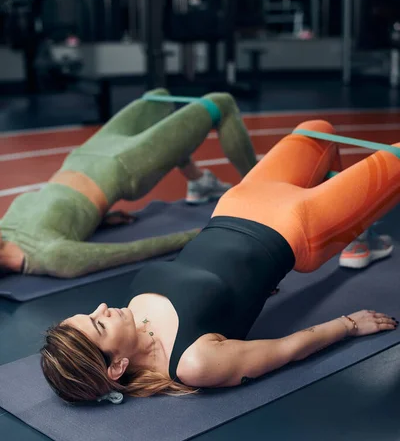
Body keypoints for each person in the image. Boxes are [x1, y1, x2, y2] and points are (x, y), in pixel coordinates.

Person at [41, 119, 400, 404]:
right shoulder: (194, 363)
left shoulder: (132, 313)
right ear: (117, 366)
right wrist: (350, 324)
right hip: (298, 226)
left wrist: (251, 292)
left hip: (236, 204)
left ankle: (357, 238)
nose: (102, 308)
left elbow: (213, 285)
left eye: (90, 313)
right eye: (98, 324)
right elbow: (286, 349)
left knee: (319, 129)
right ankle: (351, 230)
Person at [0, 89, 257, 278]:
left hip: (86, 155)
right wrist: (200, 233)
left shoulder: (6, 228)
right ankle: (264, 191)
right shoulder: (51, 256)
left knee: (157, 98)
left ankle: (199, 182)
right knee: (220, 104)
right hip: (122, 166)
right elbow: (135, 250)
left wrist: (100, 219)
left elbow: (56, 214)